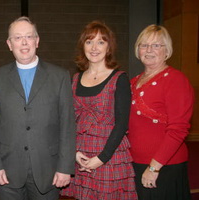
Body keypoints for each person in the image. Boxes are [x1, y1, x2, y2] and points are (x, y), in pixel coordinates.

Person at [0, 16, 76, 200]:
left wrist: (65, 168)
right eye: (17, 38)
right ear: (9, 44)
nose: (24, 43)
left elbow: (67, 126)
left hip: (48, 172)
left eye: (29, 36)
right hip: (7, 173)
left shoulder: (60, 77)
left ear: (37, 40)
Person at [61, 21, 137, 199]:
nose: (94, 47)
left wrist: (101, 158)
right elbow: (68, 121)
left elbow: (121, 125)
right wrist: (74, 152)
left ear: (109, 47)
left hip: (109, 157)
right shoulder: (74, 79)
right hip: (81, 156)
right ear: (83, 46)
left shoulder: (119, 79)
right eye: (89, 42)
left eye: (101, 42)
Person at [128, 24, 194, 200]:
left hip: (163, 167)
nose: (149, 50)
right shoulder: (133, 82)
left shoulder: (176, 80)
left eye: (156, 45)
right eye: (144, 45)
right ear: (138, 50)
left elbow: (178, 129)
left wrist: (154, 168)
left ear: (167, 50)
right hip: (136, 163)